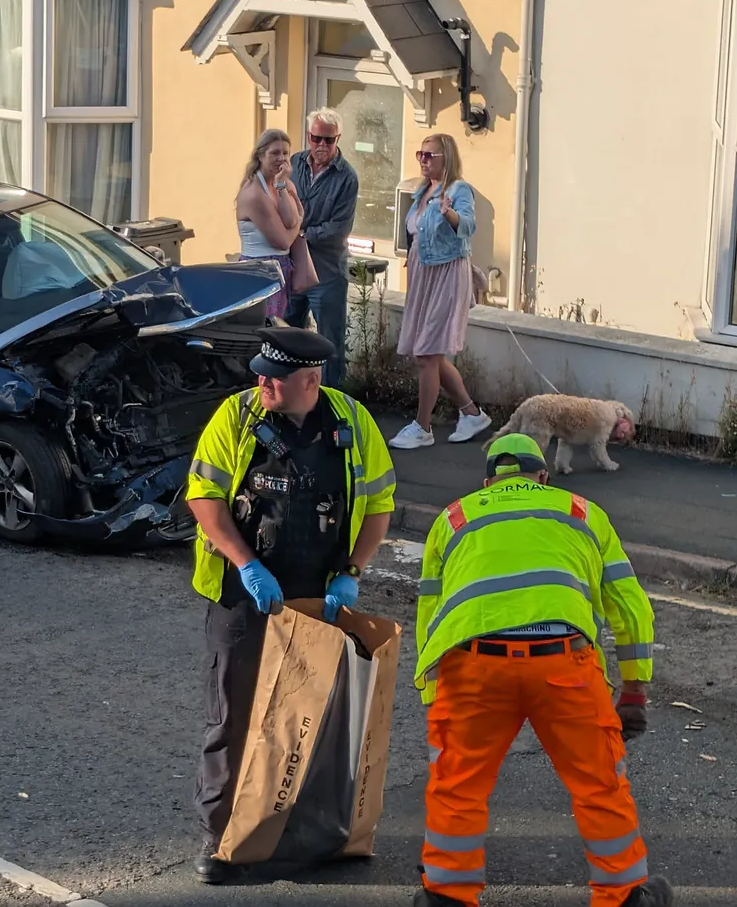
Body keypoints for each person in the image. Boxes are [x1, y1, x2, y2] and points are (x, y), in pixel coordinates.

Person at [412, 432, 671, 907]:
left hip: (473, 664)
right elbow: (631, 609)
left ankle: (446, 896)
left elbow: (430, 612)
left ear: (488, 480)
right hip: (563, 661)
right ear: (543, 476)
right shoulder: (582, 512)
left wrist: (432, 692)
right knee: (599, 784)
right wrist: (633, 689)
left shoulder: (455, 518)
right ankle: (622, 895)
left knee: (457, 786)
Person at [184, 326, 396, 884]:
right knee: (233, 716)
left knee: (314, 718)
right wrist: (245, 564)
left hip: (317, 596)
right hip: (244, 593)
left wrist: (352, 572)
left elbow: (378, 505)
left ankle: (306, 832)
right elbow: (204, 498)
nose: (261, 382)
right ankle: (220, 839)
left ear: (309, 380)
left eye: (273, 378)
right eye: (260, 372)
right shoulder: (236, 417)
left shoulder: (350, 422)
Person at [388, 133, 491, 450]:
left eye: (429, 155)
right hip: (424, 276)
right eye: (420, 154)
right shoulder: (422, 191)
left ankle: (423, 426)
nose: (423, 159)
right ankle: (472, 413)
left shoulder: (458, 190)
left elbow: (469, 226)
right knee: (430, 353)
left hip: (447, 275)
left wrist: (449, 213)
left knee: (426, 354)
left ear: (447, 158)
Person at [286, 108, 359, 387]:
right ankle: (290, 396)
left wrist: (299, 233)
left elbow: (338, 228)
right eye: (317, 139)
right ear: (309, 136)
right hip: (293, 268)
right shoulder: (294, 163)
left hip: (326, 272)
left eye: (328, 140)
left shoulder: (347, 177)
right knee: (285, 334)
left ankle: (332, 405)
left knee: (329, 344)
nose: (321, 146)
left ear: (338, 139)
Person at [235, 129, 319, 319]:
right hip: (259, 273)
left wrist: (282, 186)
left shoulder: (283, 184)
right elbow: (283, 241)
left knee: (280, 331)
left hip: (281, 270)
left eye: (285, 153)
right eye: (274, 153)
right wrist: (299, 219)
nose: (281, 159)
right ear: (260, 155)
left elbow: (290, 221)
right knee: (266, 332)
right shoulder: (254, 193)